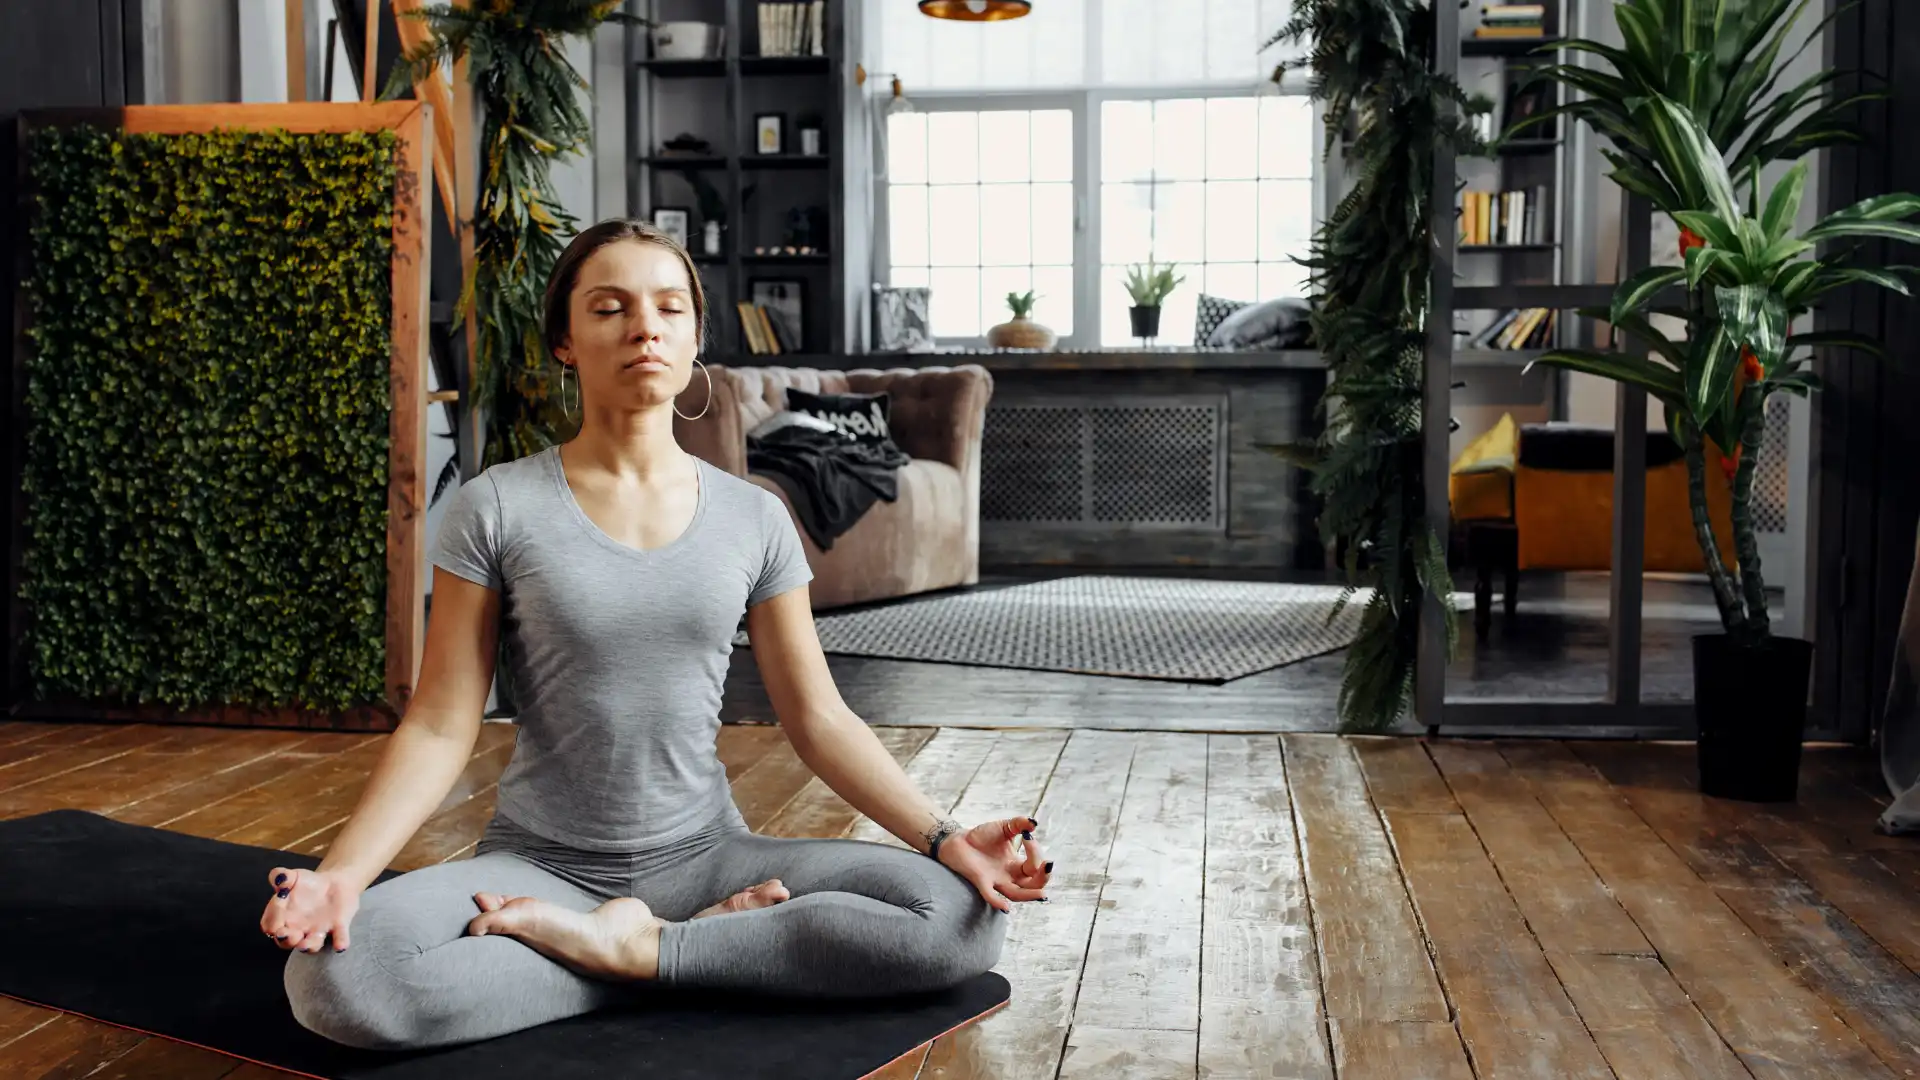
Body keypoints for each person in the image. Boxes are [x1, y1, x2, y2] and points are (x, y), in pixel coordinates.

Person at [260, 219, 1050, 1051]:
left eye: (669, 308)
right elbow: (440, 720)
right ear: (566, 341)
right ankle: (691, 950)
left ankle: (638, 949)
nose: (645, 326)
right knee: (337, 984)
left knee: (957, 917)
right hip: (539, 863)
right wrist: (343, 877)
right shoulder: (496, 506)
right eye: (611, 308)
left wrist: (946, 837)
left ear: (694, 336)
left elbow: (818, 719)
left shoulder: (754, 517)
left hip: (710, 854)